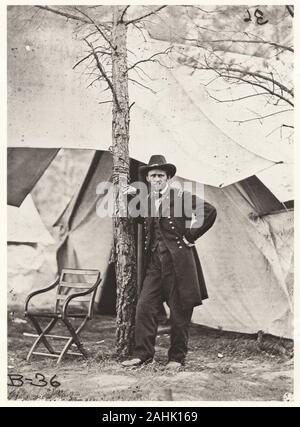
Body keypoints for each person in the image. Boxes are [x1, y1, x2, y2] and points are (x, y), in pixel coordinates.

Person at [122, 155, 217, 370]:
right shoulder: (146, 200)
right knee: (145, 307)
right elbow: (139, 219)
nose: (156, 179)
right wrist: (130, 198)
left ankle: (176, 358)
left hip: (178, 264)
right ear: (147, 178)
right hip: (154, 265)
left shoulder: (180, 196)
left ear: (168, 178)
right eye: (152, 175)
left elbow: (209, 211)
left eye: (160, 176)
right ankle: (143, 354)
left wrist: (190, 236)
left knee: (179, 312)